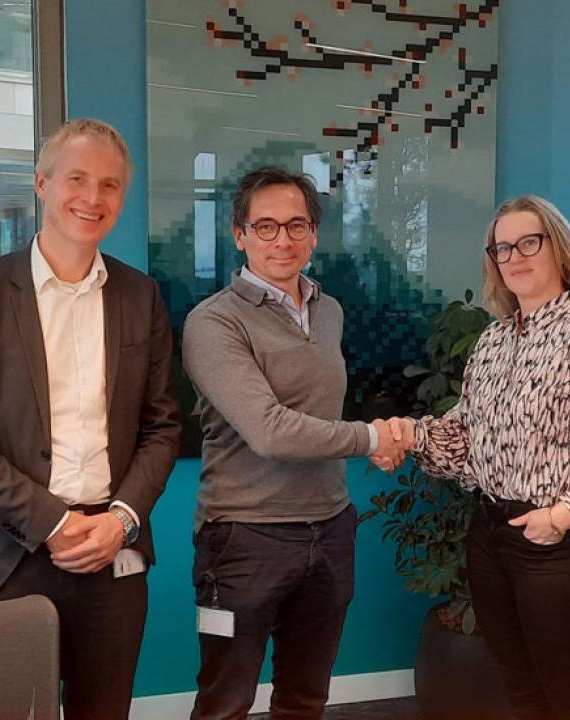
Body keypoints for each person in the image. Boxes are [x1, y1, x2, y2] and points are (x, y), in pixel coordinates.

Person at [0, 118, 181, 719]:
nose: (93, 198)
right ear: (42, 184)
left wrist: (122, 520)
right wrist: (52, 522)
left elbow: (162, 426)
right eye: (77, 179)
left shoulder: (140, 296)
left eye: (110, 185)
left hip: (110, 554)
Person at [382, 195, 570, 720]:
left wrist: (563, 515)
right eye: (502, 248)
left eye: (529, 242)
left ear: (559, 249)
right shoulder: (492, 342)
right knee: (522, 693)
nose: (514, 257)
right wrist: (409, 435)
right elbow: (467, 441)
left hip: (561, 545)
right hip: (490, 538)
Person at [182, 166, 408, 720]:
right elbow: (270, 430)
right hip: (244, 538)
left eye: (296, 225)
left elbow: (318, 411)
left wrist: (373, 440)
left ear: (313, 234)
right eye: (265, 227)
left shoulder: (329, 312)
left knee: (306, 697)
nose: (282, 240)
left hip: (330, 529)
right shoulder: (213, 323)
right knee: (225, 701)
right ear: (240, 235)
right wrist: (371, 437)